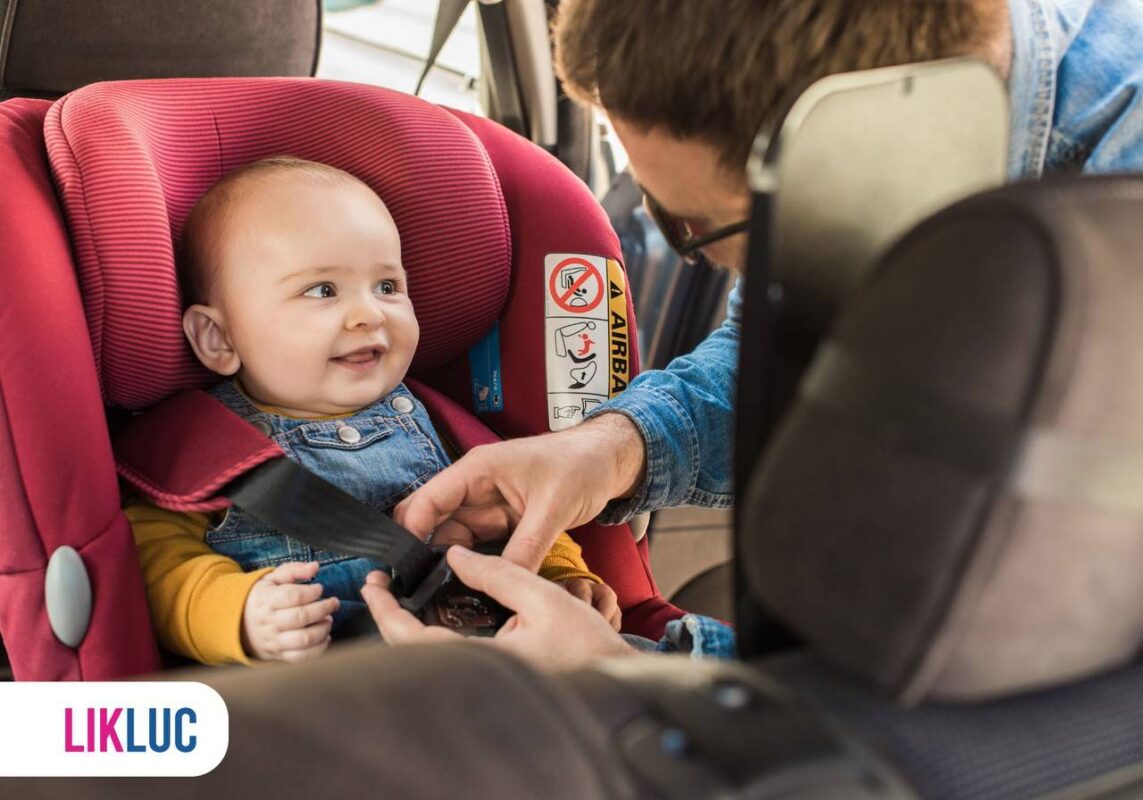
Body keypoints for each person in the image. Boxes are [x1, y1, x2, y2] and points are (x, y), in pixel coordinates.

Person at [366, 0, 1143, 666]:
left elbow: (1048, 693)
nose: (687, 242)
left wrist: (635, 682)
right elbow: (785, 343)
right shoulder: (887, 137)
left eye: (693, 225)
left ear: (866, 147)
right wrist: (609, 450)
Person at [125, 156, 620, 666]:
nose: (369, 314)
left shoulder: (439, 422)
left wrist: (561, 574)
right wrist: (241, 615)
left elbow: (516, 509)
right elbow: (157, 564)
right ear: (219, 337)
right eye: (322, 290)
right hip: (341, 692)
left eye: (387, 287)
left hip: (491, 660)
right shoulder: (202, 449)